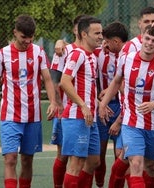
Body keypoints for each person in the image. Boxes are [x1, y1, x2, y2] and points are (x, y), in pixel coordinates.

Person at [0, 14, 57, 188]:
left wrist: (53, 102)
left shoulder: (39, 52)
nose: (28, 40)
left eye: (31, 37)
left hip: (33, 116)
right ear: (15, 33)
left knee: (27, 160)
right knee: (10, 159)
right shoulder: (4, 54)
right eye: (24, 37)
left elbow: (47, 78)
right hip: (10, 116)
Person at [99, 25, 154, 188]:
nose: (149, 43)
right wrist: (102, 104)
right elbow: (116, 82)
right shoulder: (126, 58)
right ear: (141, 38)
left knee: (152, 167)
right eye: (147, 38)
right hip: (131, 123)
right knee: (136, 164)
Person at [59, 16, 103, 187]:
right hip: (76, 116)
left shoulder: (91, 55)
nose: (101, 36)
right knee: (76, 163)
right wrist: (83, 105)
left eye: (101, 32)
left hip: (89, 118)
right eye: (97, 33)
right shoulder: (77, 54)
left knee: (93, 161)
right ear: (84, 34)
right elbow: (64, 81)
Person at [49, 14, 86, 188]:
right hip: (67, 112)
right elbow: (56, 80)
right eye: (79, 27)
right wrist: (58, 104)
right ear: (75, 30)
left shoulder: (93, 52)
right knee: (63, 156)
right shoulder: (64, 50)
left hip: (85, 112)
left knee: (85, 159)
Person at [94, 21, 129, 188]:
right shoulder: (97, 53)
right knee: (98, 155)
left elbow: (123, 83)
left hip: (122, 108)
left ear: (116, 41)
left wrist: (109, 91)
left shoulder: (131, 55)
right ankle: (100, 184)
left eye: (107, 40)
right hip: (103, 107)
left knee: (121, 154)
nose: (104, 43)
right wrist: (60, 44)